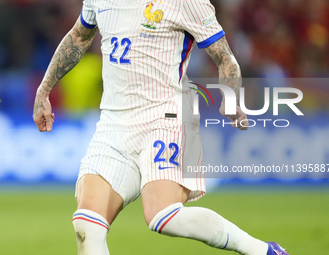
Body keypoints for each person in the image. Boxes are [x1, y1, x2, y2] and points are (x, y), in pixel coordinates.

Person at [33, 0, 289, 254]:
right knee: (86, 224)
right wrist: (44, 89)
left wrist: (230, 99)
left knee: (163, 216)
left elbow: (225, 58)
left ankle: (263, 251)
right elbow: (79, 36)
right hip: (113, 123)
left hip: (165, 117)